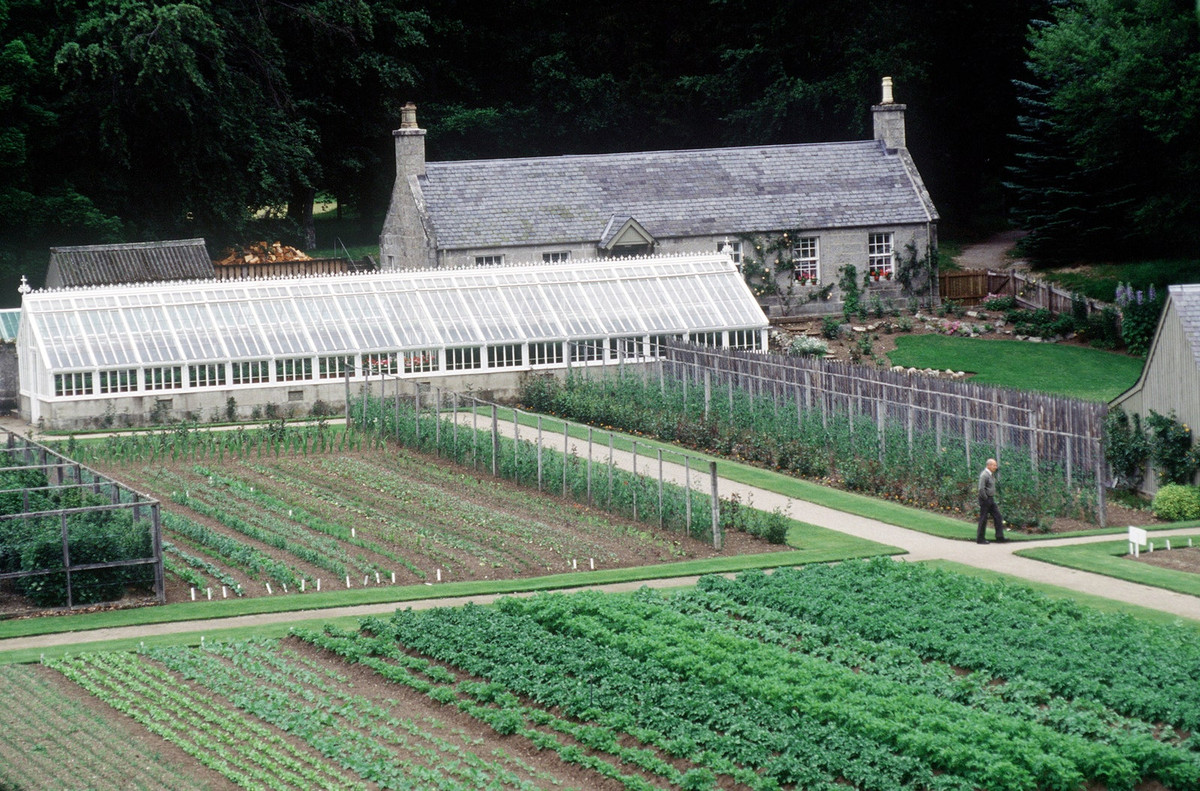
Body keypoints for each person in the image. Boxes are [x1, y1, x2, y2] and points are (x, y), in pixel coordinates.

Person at [976, 458, 1008, 544]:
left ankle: (999, 537)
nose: (995, 467)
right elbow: (981, 489)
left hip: (990, 499)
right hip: (985, 499)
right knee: (983, 518)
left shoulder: (991, 474)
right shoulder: (984, 475)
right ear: (988, 465)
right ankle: (980, 538)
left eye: (996, 465)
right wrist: (986, 498)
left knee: (998, 516)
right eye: (994, 465)